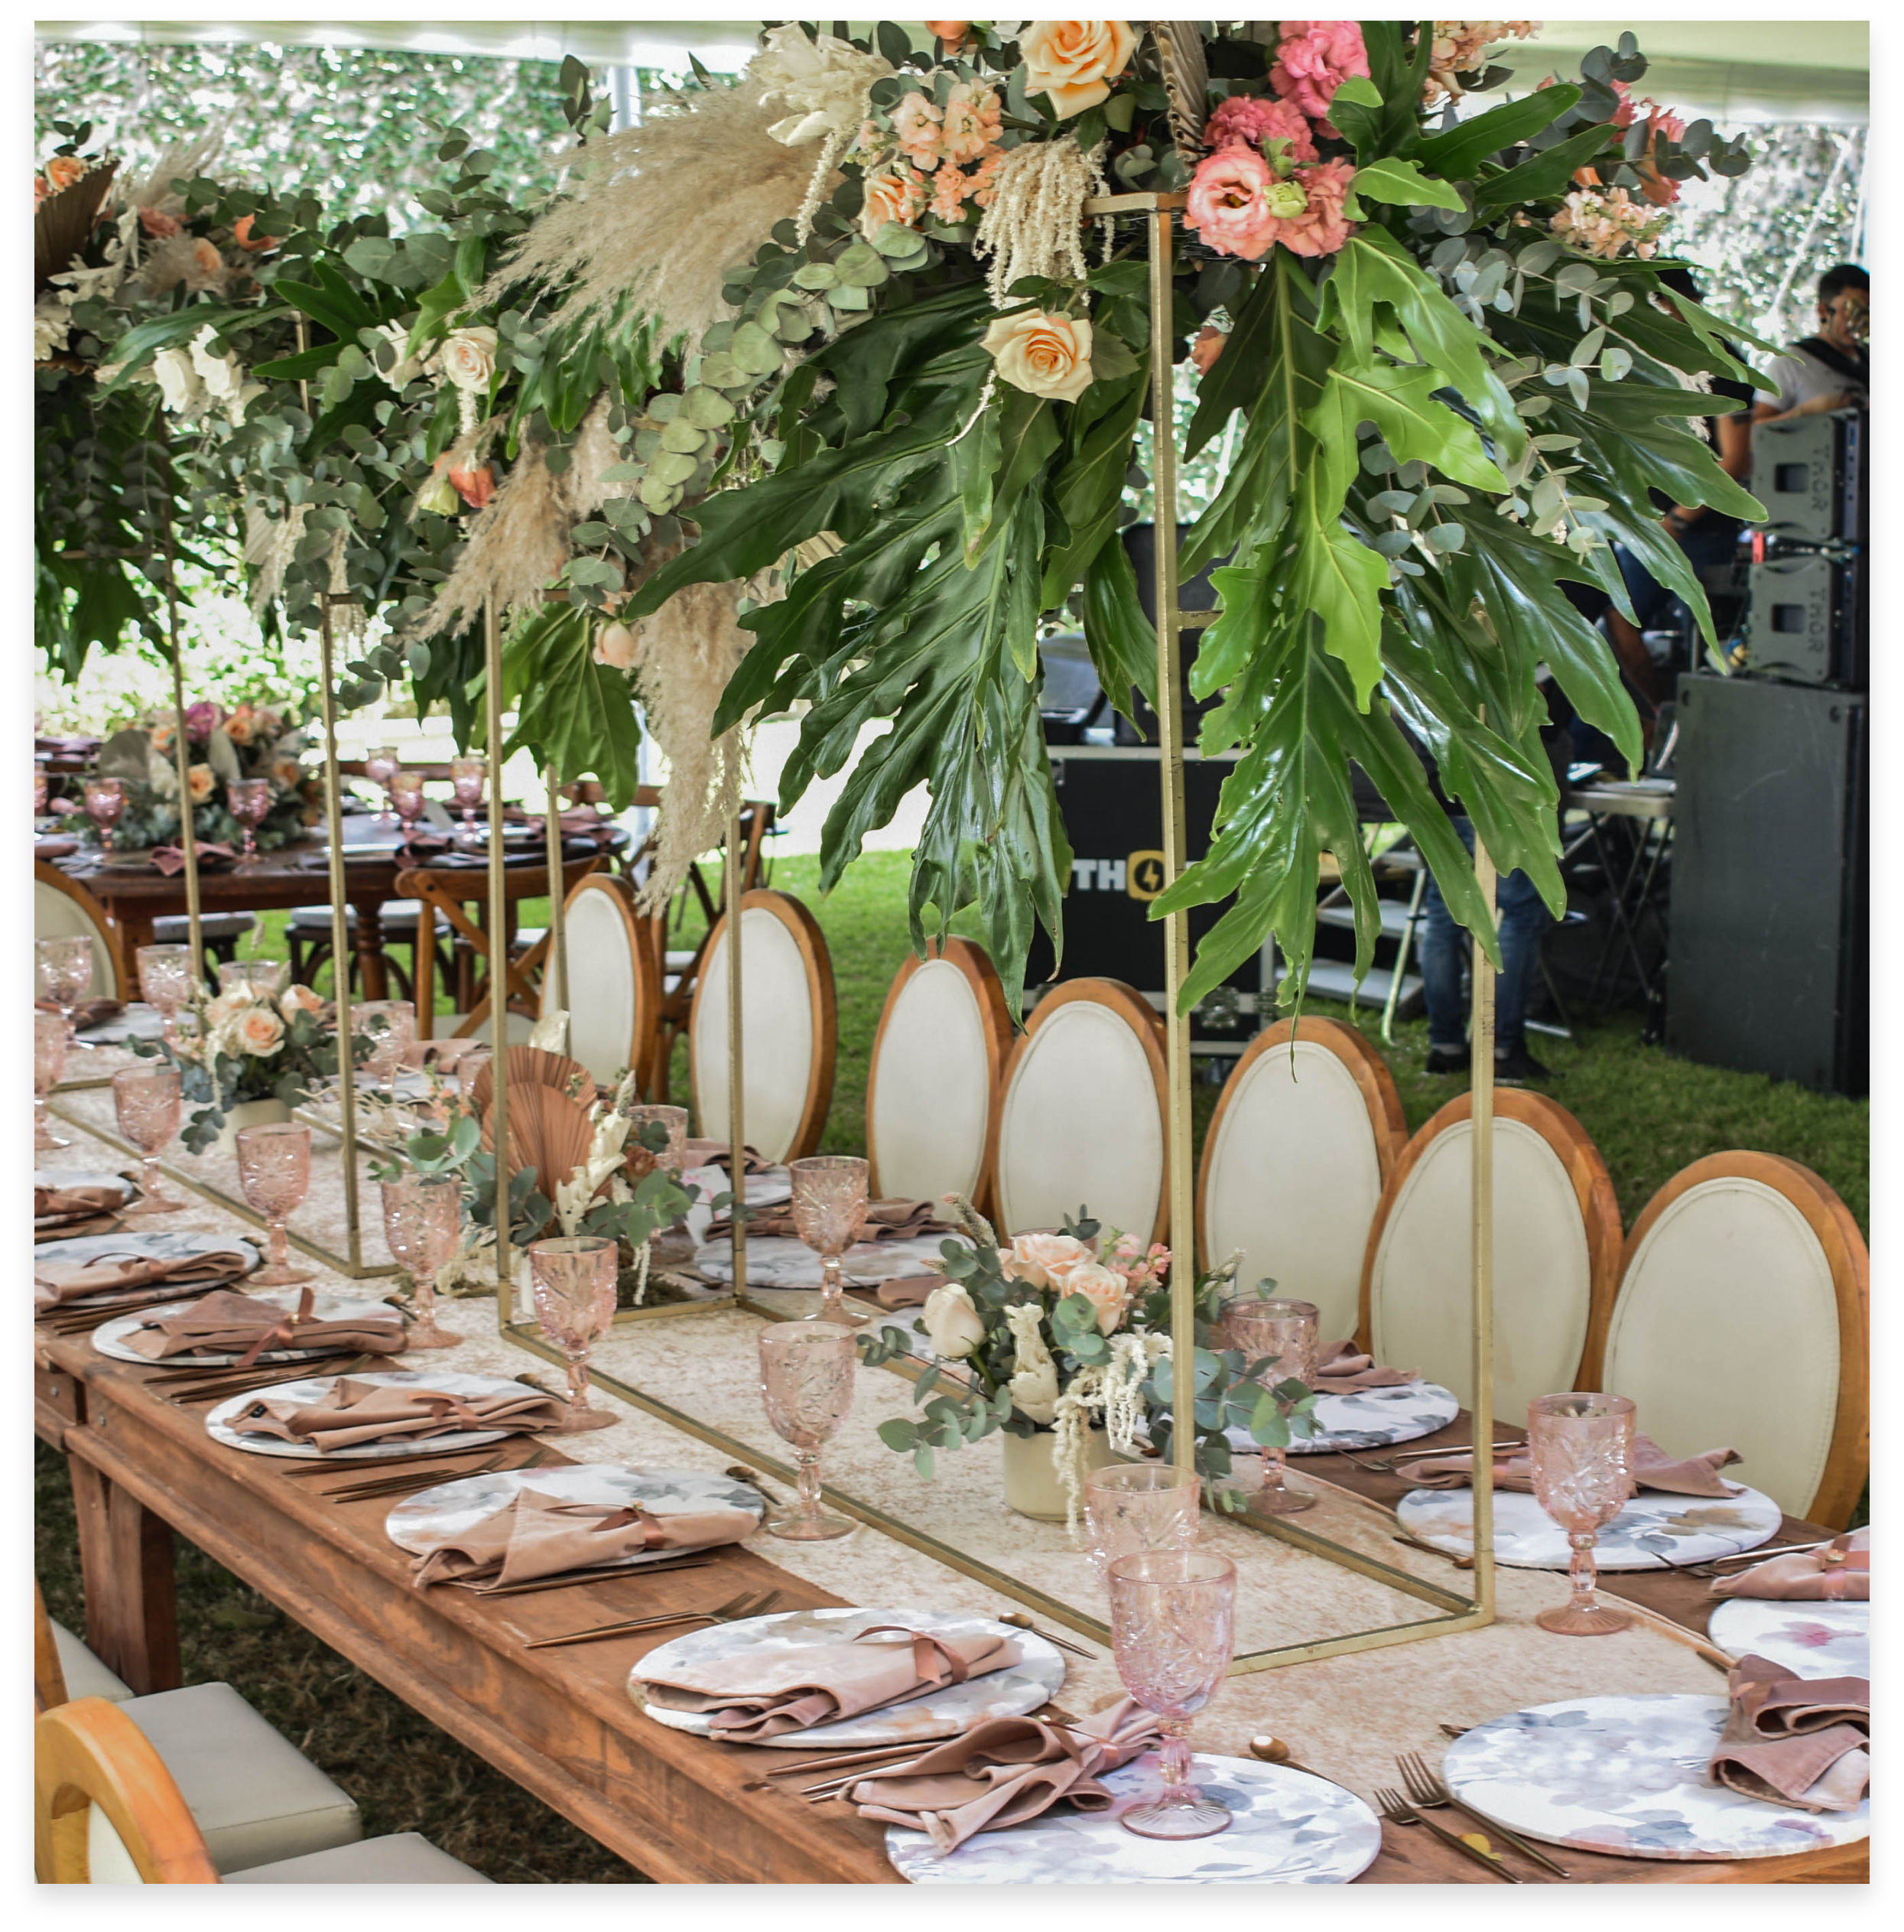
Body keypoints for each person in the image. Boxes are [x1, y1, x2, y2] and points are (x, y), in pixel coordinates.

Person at [1601, 267, 1756, 709]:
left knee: (1707, 642)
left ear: (1672, 305)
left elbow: (1734, 458)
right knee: (1620, 619)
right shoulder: (1650, 362)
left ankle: (1691, 730)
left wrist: (1681, 518)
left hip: (1702, 528)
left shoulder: (1721, 360)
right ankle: (1660, 716)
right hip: (1652, 523)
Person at [1756, 262, 1870, 423]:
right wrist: (1806, 412)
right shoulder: (1790, 363)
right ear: (1823, 311)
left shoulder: (1865, 359)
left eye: (1865, 312)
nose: (1859, 321)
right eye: (1850, 310)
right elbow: (1757, 429)